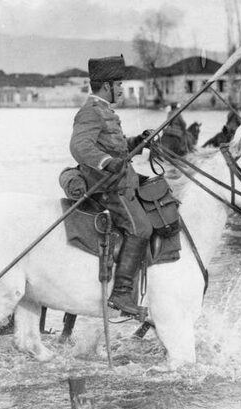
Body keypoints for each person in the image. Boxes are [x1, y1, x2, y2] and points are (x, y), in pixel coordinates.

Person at [69, 55, 152, 316]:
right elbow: (80, 147)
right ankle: (122, 294)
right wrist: (107, 163)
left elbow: (114, 144)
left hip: (121, 181)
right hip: (108, 188)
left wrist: (138, 141)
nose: (121, 89)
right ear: (106, 85)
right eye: (118, 84)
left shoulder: (105, 111)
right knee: (140, 228)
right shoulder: (91, 111)